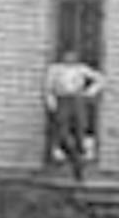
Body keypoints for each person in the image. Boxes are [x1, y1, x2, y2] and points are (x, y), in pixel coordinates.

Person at [43, 48, 105, 182]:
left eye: (73, 56)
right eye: (67, 56)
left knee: (80, 128)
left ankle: (79, 161)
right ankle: (74, 157)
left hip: (77, 99)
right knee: (62, 130)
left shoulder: (81, 69)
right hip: (62, 99)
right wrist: (51, 103)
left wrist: (89, 92)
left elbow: (100, 79)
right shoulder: (55, 70)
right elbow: (48, 88)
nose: (70, 58)